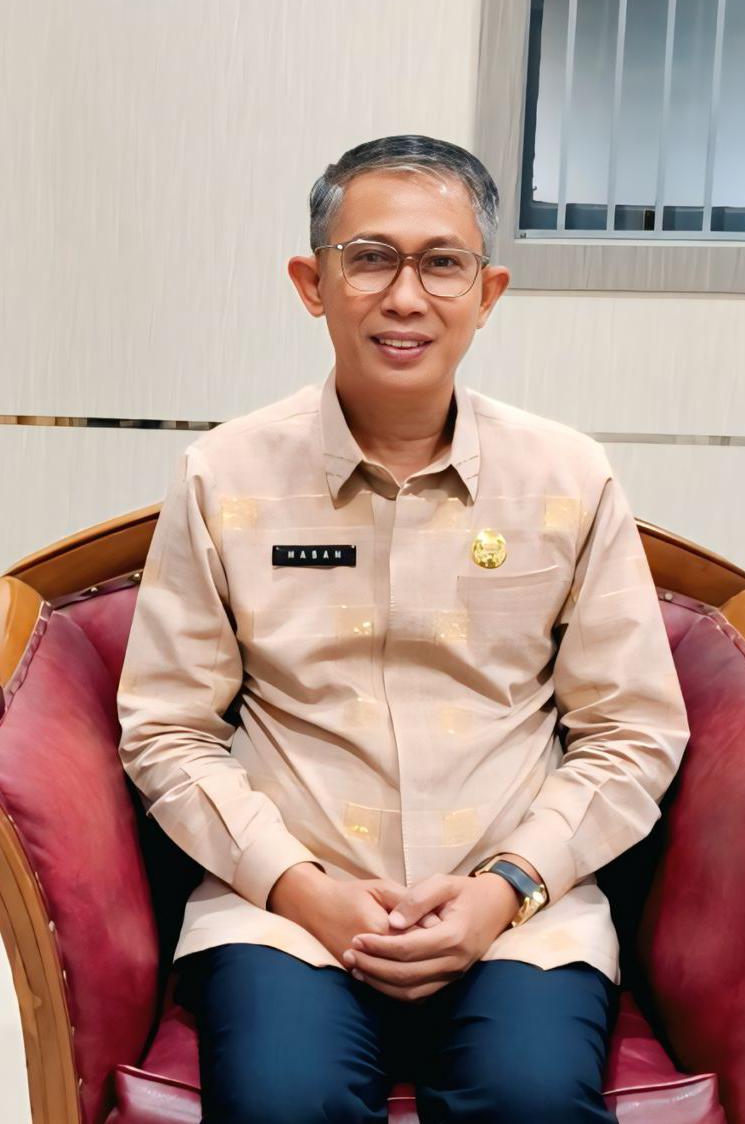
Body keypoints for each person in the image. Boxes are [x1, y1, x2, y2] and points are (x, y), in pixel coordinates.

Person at [117, 135, 690, 1123]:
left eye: (442, 262)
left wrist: (506, 886)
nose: (405, 295)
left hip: (519, 914)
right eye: (370, 258)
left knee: (532, 1099)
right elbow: (167, 727)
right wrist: (299, 888)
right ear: (312, 283)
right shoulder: (223, 475)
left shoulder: (567, 477)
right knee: (283, 1102)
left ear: (488, 290)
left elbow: (632, 728)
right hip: (286, 915)